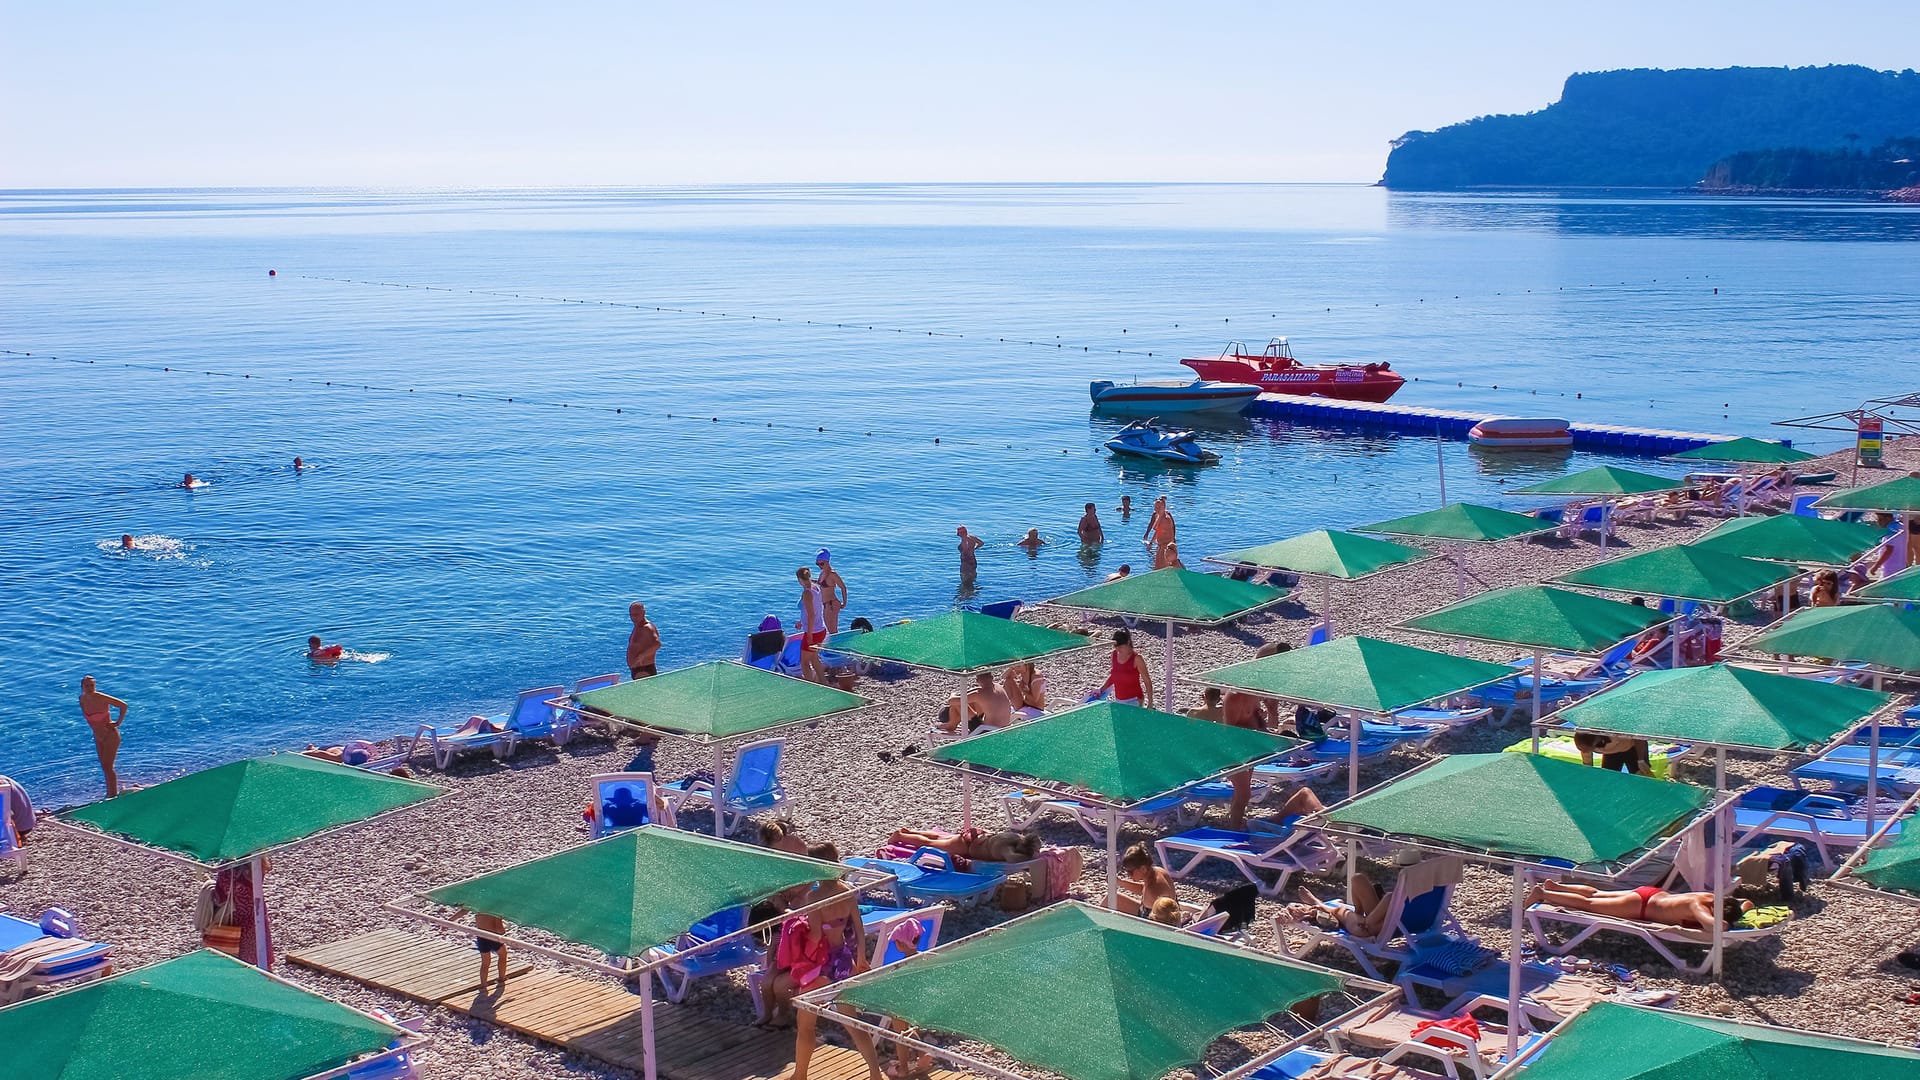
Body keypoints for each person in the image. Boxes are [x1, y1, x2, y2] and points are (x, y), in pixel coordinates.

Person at [785, 844, 885, 1080]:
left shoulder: (814, 897)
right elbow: (859, 930)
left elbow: (817, 936)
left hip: (821, 964)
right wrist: (860, 956)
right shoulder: (848, 891)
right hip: (843, 959)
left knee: (806, 1024)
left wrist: (797, 937)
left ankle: (800, 1074)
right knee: (852, 1023)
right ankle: (875, 1073)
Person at [1527, 880, 1750, 930]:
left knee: (1598, 893)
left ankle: (1557, 886)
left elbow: (1746, 902)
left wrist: (1743, 911)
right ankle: (1544, 893)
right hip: (1642, 908)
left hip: (1650, 893)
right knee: (1589, 904)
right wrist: (1731, 924)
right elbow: (1717, 926)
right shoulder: (1698, 908)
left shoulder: (1710, 896)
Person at [1287, 878, 1394, 940]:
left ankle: (1314, 901)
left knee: (1357, 878)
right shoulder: (1314, 915)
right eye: (1298, 905)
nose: (1299, 904)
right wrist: (1316, 912)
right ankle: (1314, 901)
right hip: (1364, 926)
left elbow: (1333, 918)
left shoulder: (1316, 912)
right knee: (1389, 897)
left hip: (1362, 921)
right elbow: (1332, 923)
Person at [213, 858, 273, 968]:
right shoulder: (257, 861)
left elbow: (219, 896)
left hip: (235, 915)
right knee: (261, 952)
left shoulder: (228, 866)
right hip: (256, 910)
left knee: (237, 956)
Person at [78, 676, 128, 797]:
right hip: (98, 736)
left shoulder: (101, 697)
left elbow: (123, 705)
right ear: (82, 687)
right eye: (87, 686)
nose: (90, 688)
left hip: (110, 735)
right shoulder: (82, 699)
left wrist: (117, 723)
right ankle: (109, 792)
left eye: (92, 685)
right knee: (104, 766)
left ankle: (112, 795)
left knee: (108, 766)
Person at [886, 827, 1040, 863]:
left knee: (940, 837)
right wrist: (1032, 856)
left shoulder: (1016, 836)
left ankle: (909, 831)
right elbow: (1013, 859)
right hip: (966, 846)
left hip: (976, 836)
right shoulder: (1006, 849)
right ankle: (900, 836)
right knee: (930, 843)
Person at [938, 670, 1014, 733]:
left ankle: (951, 724)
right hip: (1004, 728)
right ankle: (953, 723)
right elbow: (976, 691)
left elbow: (951, 701)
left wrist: (953, 694)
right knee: (971, 701)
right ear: (992, 677)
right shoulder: (999, 687)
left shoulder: (979, 694)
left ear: (977, 681)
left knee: (957, 704)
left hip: (986, 731)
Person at [1094, 630, 1153, 706]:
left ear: (1128, 642)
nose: (1118, 649)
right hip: (1118, 699)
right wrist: (1101, 690)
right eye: (1116, 647)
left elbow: (1147, 681)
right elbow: (1114, 676)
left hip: (1134, 699)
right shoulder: (1114, 654)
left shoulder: (1137, 659)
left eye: (1120, 647)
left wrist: (1150, 703)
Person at [1116, 842, 1177, 916]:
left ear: (1143, 869)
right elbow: (1143, 888)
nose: (1128, 874)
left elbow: (1164, 921)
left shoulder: (1154, 892)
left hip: (1151, 922)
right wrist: (1120, 882)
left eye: (1130, 871)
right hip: (1148, 912)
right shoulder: (1158, 871)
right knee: (1111, 898)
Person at [796, 567, 827, 682]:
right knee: (814, 658)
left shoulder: (807, 593)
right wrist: (801, 622)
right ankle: (824, 682)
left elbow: (811, 614)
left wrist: (808, 634)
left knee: (804, 662)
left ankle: (810, 684)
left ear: (800, 579)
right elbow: (814, 609)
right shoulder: (816, 588)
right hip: (821, 629)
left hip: (813, 631)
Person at [1572, 731, 1652, 776]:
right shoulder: (1584, 745)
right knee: (1608, 777)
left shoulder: (1615, 732)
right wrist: (1587, 771)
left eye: (1588, 749)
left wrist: (1641, 759)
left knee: (1642, 775)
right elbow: (1587, 763)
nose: (1585, 751)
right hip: (1611, 753)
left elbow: (1639, 738)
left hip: (1633, 748)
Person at [473, 910, 509, 994]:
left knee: (485, 962)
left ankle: (483, 984)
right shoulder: (495, 912)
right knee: (503, 954)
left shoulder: (478, 910)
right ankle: (502, 977)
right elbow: (500, 930)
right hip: (492, 937)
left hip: (481, 936)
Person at [625, 602, 661, 679]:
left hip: (644, 669)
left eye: (636, 615)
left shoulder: (647, 627)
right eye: (631, 615)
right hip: (638, 669)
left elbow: (657, 644)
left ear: (643, 613)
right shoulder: (637, 626)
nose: (633, 618)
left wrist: (641, 657)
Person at [815, 551, 848, 634]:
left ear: (827, 562)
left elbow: (843, 587)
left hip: (831, 604)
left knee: (833, 631)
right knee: (830, 630)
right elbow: (821, 584)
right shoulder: (823, 573)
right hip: (826, 604)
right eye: (817, 564)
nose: (820, 566)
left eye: (821, 564)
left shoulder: (832, 574)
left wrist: (844, 603)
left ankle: (836, 646)